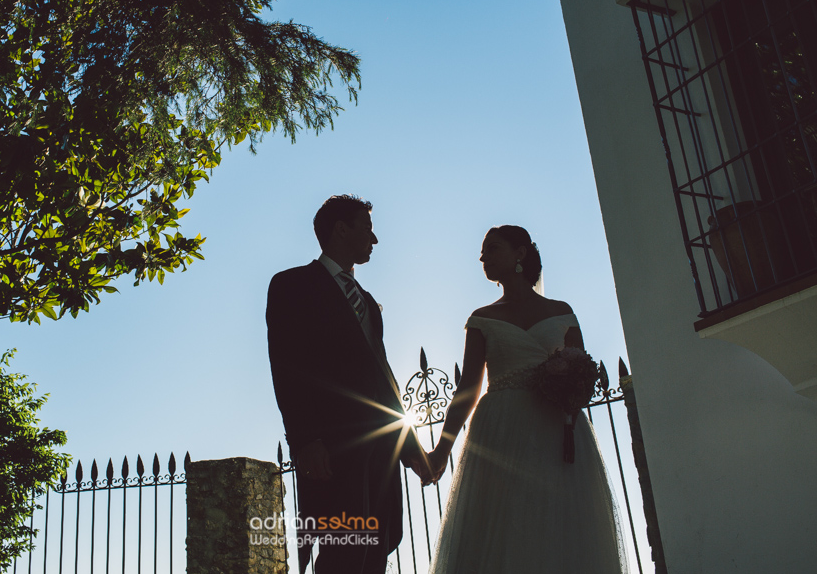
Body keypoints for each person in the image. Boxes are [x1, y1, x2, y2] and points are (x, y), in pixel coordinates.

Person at [424, 225, 627, 573]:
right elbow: (468, 388)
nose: (483, 256)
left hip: (554, 426)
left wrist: (570, 390)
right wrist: (442, 449)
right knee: (503, 523)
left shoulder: (562, 312)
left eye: (492, 248)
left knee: (558, 523)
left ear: (520, 253)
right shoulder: (481, 319)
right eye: (483, 251)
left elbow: (583, 370)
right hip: (500, 430)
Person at [267, 195, 429, 574]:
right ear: (341, 229)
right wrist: (305, 441)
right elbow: (287, 368)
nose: (374, 240)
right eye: (367, 229)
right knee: (342, 557)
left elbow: (383, 377)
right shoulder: (292, 285)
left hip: (381, 453)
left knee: (376, 555)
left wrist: (410, 448)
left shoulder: (369, 304)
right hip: (332, 453)